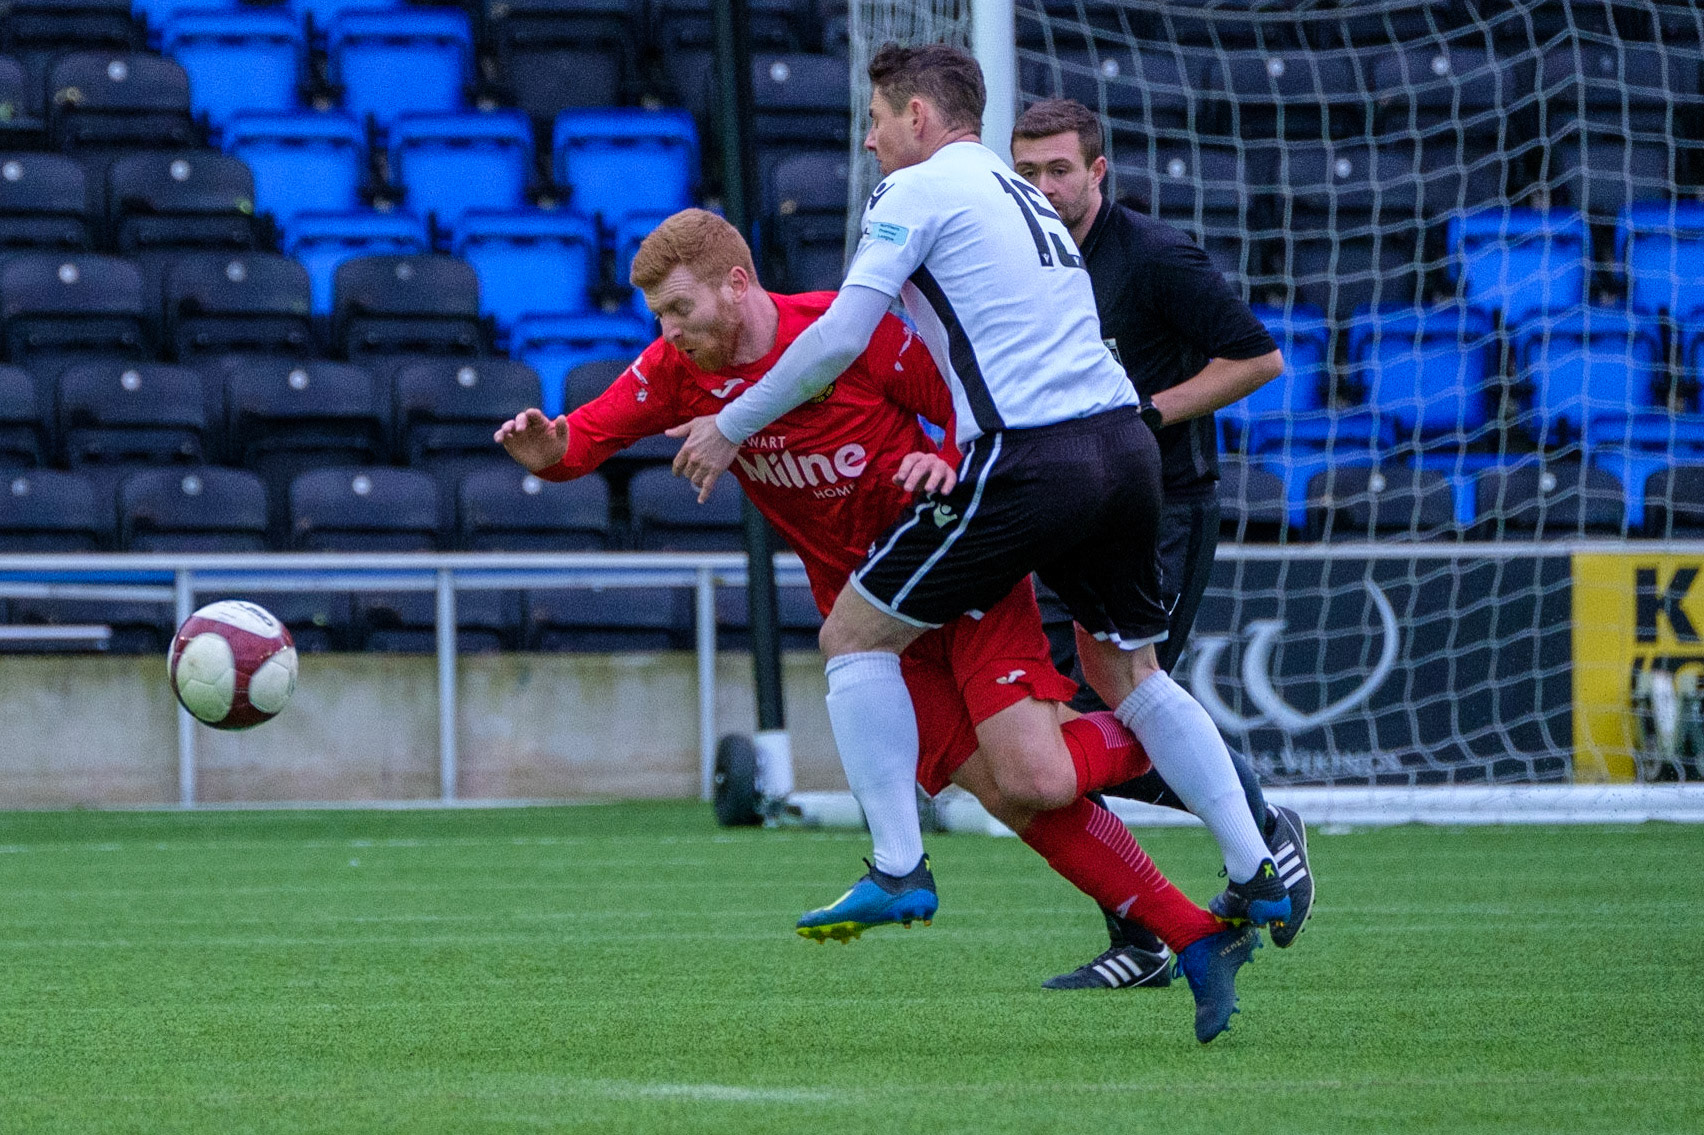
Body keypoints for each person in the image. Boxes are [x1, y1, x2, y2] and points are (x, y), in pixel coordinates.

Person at [495, 208, 1258, 1041]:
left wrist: (946, 459)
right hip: (875, 622)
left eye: (680, 308)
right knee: (1016, 796)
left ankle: (1190, 762)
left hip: (957, 568)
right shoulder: (677, 371)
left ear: (737, 285)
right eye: (659, 316)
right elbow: (583, 440)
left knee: (1036, 778)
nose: (667, 331)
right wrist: (545, 450)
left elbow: (975, 409)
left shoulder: (844, 330)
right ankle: (1196, 935)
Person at [668, 43, 1289, 951]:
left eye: (877, 119)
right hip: (1126, 445)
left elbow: (841, 337)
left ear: (918, 116)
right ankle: (1256, 867)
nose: (870, 141)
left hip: (1032, 456)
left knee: (852, 634)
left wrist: (732, 423)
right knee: (1128, 675)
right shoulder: (1022, 193)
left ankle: (897, 866)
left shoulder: (915, 190)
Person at [1010, 99, 1315, 988]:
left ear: (1097, 172)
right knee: (1052, 736)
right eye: (1026, 172)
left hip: (1161, 509)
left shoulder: (1153, 255)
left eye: (1059, 170)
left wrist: (1144, 416)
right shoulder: (1017, 259)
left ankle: (1260, 837)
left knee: (1112, 710)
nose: (1042, 187)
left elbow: (1258, 358)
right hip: (1064, 513)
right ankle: (1150, 931)